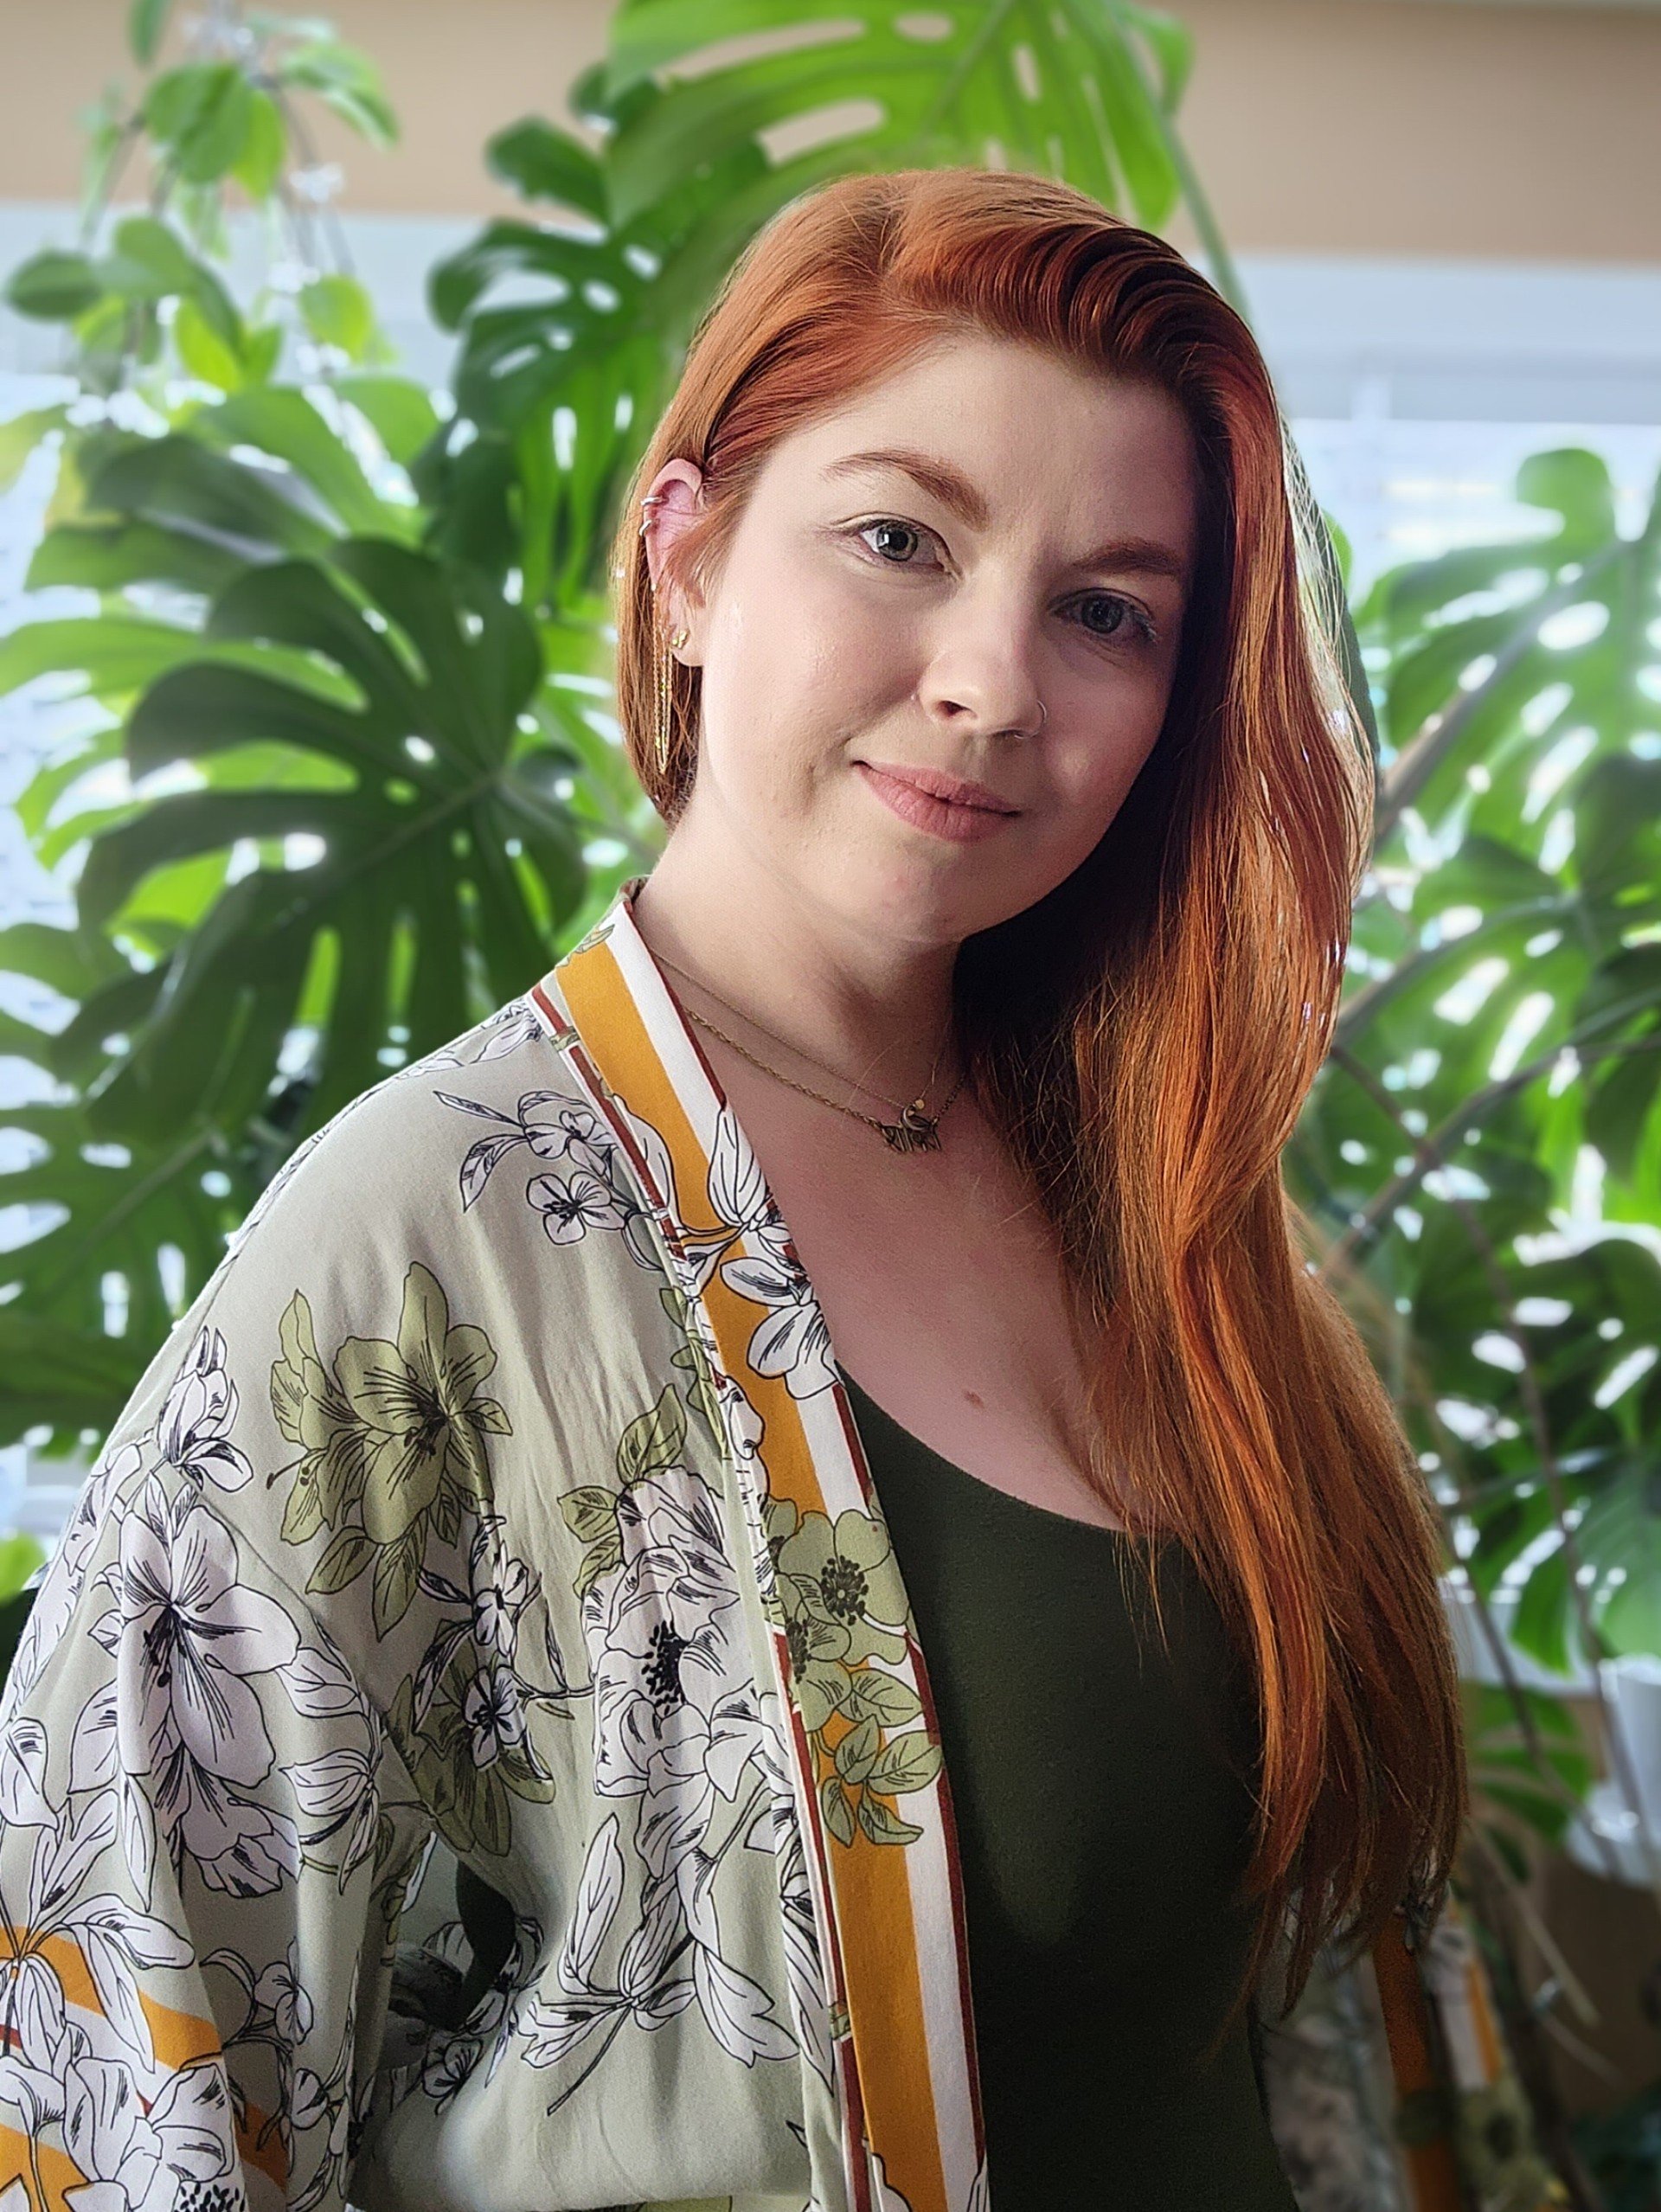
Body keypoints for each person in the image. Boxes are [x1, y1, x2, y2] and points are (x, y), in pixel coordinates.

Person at [0, 167, 1471, 2212]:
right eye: (900, 537)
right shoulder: (428, 1228)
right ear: (686, 558)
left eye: (1104, 609)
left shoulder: (1165, 1206)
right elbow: (118, 2045)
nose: (991, 680)